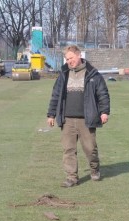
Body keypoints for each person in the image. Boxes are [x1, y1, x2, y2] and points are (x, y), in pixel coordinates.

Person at [47, 45, 110, 187]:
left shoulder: (93, 74)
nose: (69, 61)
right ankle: (71, 177)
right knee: (68, 149)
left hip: (87, 119)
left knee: (90, 149)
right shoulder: (63, 74)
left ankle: (94, 169)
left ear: (79, 55)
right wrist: (51, 114)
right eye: (67, 59)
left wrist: (104, 112)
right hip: (67, 119)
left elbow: (103, 94)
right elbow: (56, 96)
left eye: (71, 58)